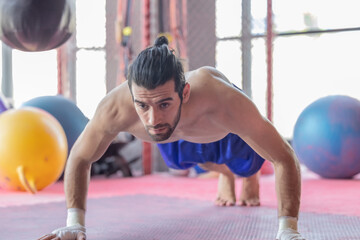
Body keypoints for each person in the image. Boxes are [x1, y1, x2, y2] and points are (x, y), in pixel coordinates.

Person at [38, 36, 305, 240]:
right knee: (178, 164)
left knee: (247, 166)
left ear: (185, 93)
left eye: (164, 103)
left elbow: (284, 157)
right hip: (176, 134)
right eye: (143, 105)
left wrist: (288, 230)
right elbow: (81, 157)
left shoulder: (223, 100)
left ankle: (246, 176)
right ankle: (225, 175)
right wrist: (75, 223)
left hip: (219, 127)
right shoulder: (115, 108)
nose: (153, 119)